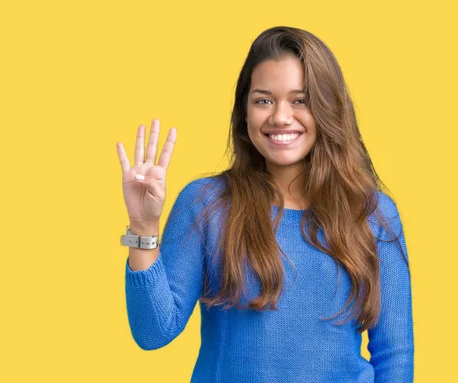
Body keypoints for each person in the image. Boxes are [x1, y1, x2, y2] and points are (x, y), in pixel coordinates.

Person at [115, 26, 414, 383]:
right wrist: (143, 227)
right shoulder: (206, 205)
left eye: (300, 100)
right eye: (263, 100)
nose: (280, 117)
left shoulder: (373, 214)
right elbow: (153, 332)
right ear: (244, 112)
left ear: (327, 107)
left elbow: (395, 356)